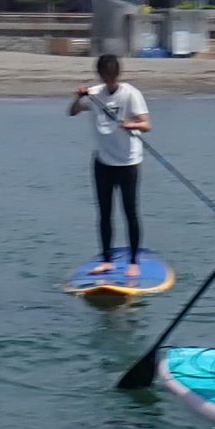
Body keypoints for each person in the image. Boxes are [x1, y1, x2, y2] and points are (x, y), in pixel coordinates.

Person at [68, 54, 151, 277]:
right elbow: (72, 111)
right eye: (105, 76)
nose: (108, 80)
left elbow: (146, 124)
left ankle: (133, 261)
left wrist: (130, 124)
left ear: (118, 74)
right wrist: (78, 98)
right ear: (100, 75)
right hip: (103, 162)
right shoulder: (95, 94)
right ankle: (106, 260)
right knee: (104, 214)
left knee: (130, 212)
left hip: (128, 162)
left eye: (111, 76)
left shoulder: (131, 94)